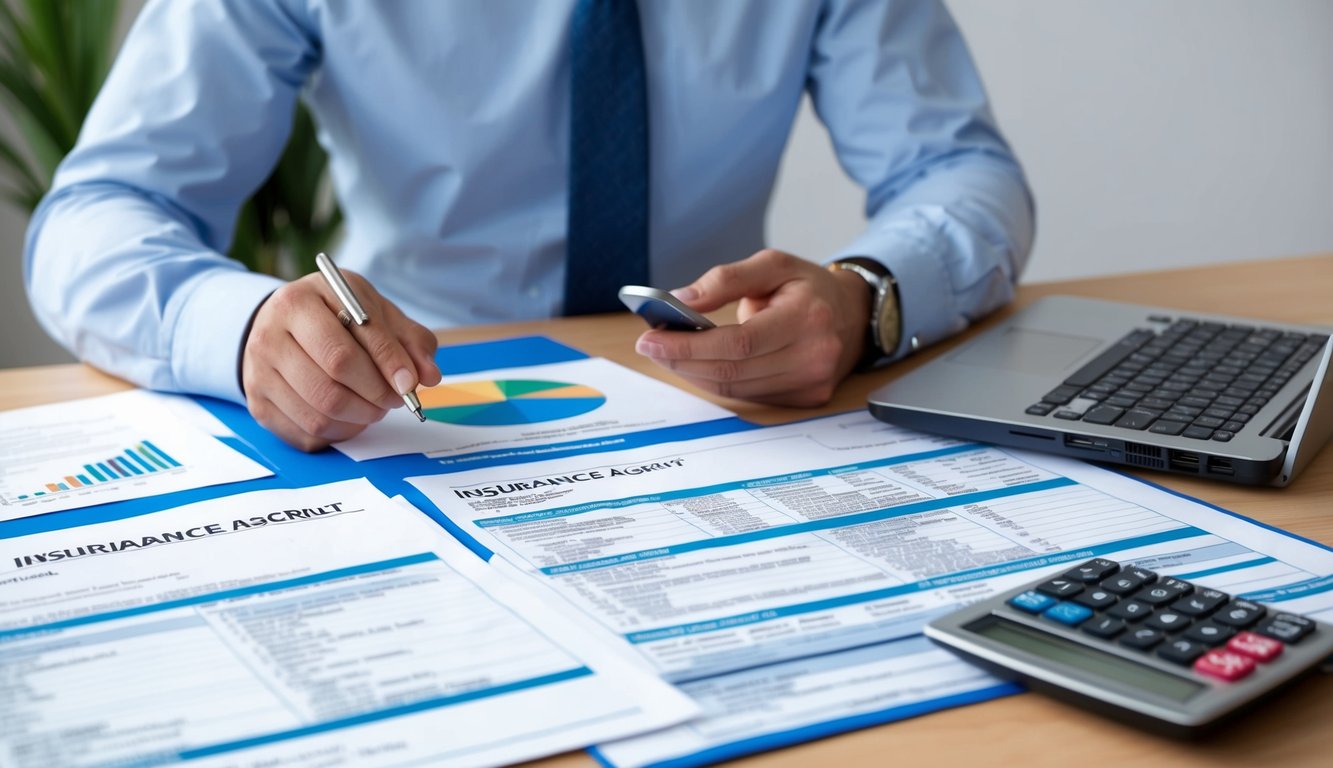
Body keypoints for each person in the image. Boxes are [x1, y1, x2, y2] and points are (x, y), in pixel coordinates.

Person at [24, 0, 1034, 451]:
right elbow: (96, 215)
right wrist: (243, 332)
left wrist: (871, 296)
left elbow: (959, 171)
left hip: (733, 421)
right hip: (409, 413)